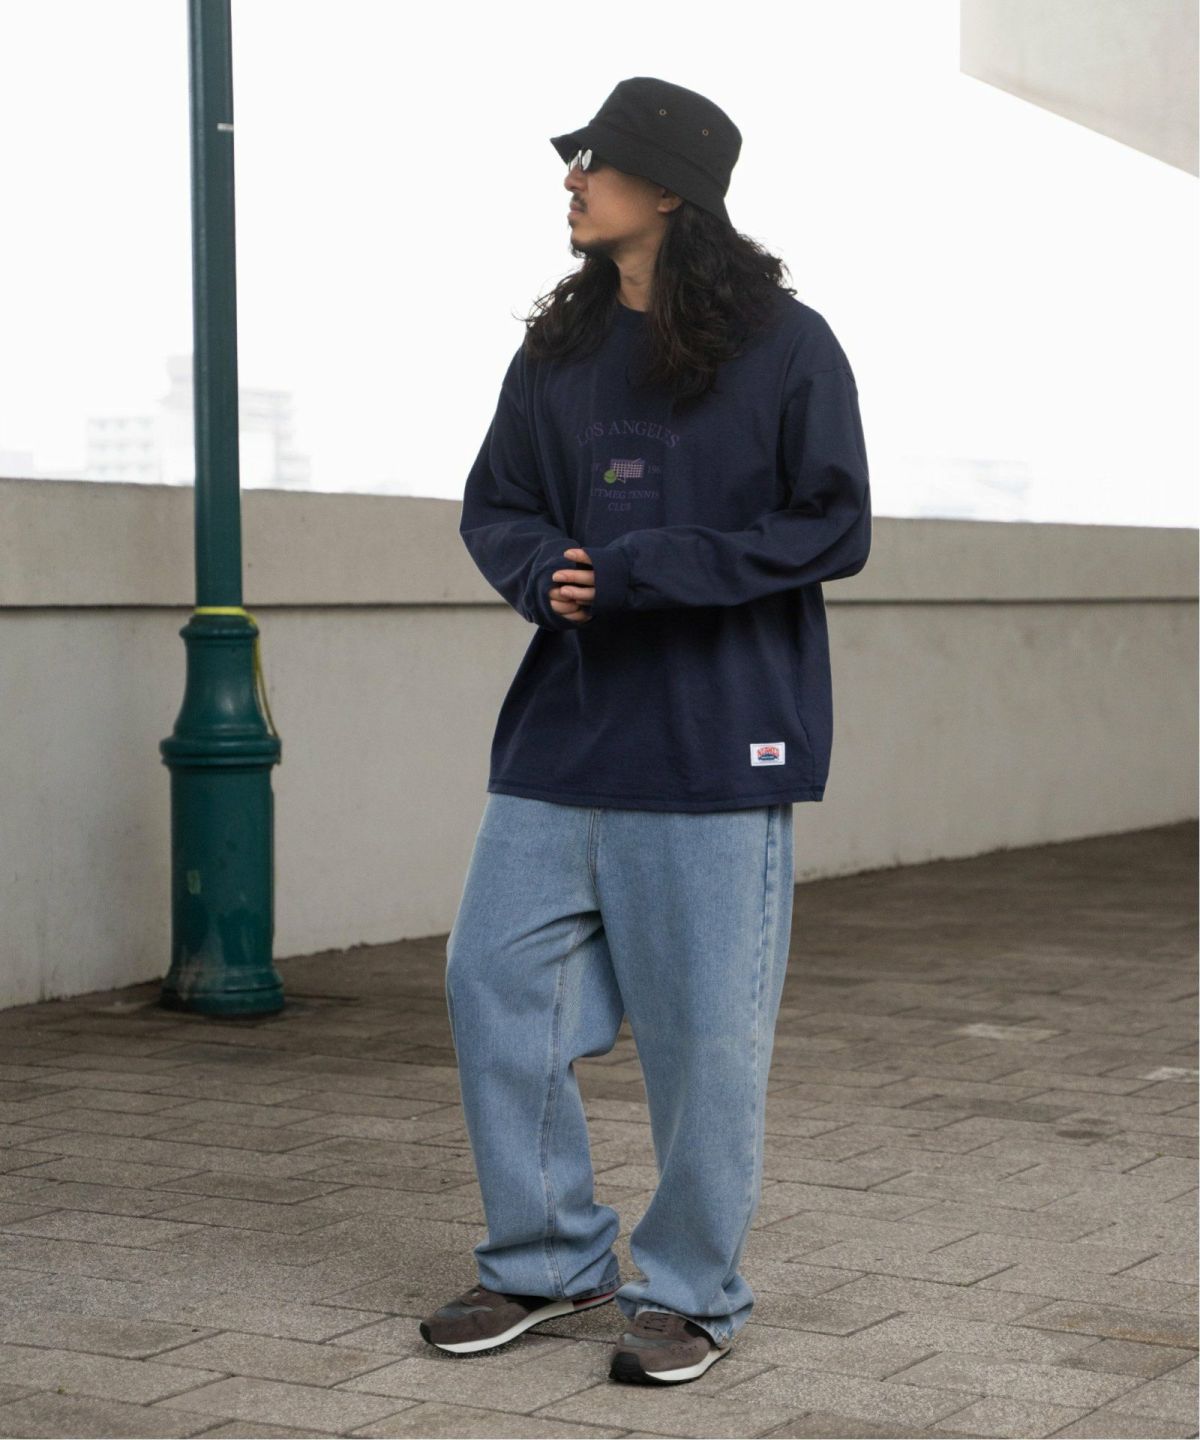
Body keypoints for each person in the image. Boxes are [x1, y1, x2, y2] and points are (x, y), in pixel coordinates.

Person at [419, 76, 872, 1386]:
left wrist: (645, 569)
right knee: (493, 984)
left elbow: (833, 524)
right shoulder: (557, 351)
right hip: (562, 735)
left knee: (703, 1038)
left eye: (596, 162)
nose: (571, 179)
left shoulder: (788, 345)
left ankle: (690, 1293)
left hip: (718, 742)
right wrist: (542, 571)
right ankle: (546, 1259)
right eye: (572, 161)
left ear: (671, 190)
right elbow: (498, 504)